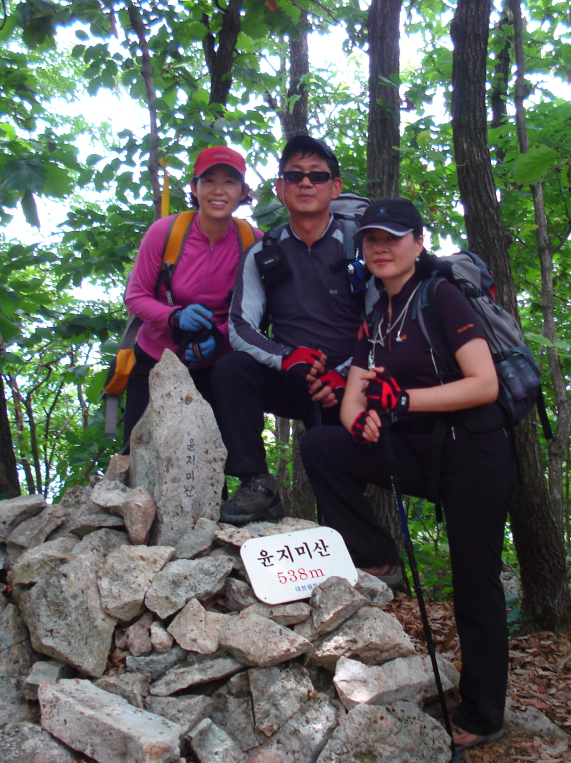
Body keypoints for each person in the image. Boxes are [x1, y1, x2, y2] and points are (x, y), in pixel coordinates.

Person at [299, 197, 515, 753]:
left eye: (393, 238)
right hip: (420, 453)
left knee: (474, 583)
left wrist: (403, 401)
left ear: (418, 242)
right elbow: (352, 405)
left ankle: (485, 709)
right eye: (371, 239)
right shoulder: (376, 316)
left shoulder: (440, 297)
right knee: (323, 445)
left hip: (474, 453)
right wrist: (367, 420)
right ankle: (376, 554)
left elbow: (484, 383)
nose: (381, 247)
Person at [211, 135, 366, 525]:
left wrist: (346, 373)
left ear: (336, 186)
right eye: (294, 176)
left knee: (340, 471)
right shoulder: (264, 252)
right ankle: (257, 483)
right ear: (280, 189)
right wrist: (285, 359)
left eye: (318, 175)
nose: (306, 183)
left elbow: (385, 320)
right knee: (231, 370)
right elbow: (240, 326)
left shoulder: (362, 243)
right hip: (293, 375)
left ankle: (364, 552)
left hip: (351, 381)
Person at [121, 146, 260, 451]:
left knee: (208, 467)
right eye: (208, 181)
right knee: (139, 455)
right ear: (194, 188)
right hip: (156, 360)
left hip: (217, 368)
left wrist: (221, 336)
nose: (218, 191)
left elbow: (260, 312)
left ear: (243, 191)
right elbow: (135, 296)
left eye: (229, 182)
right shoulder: (165, 233)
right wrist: (174, 317)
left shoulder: (253, 241)